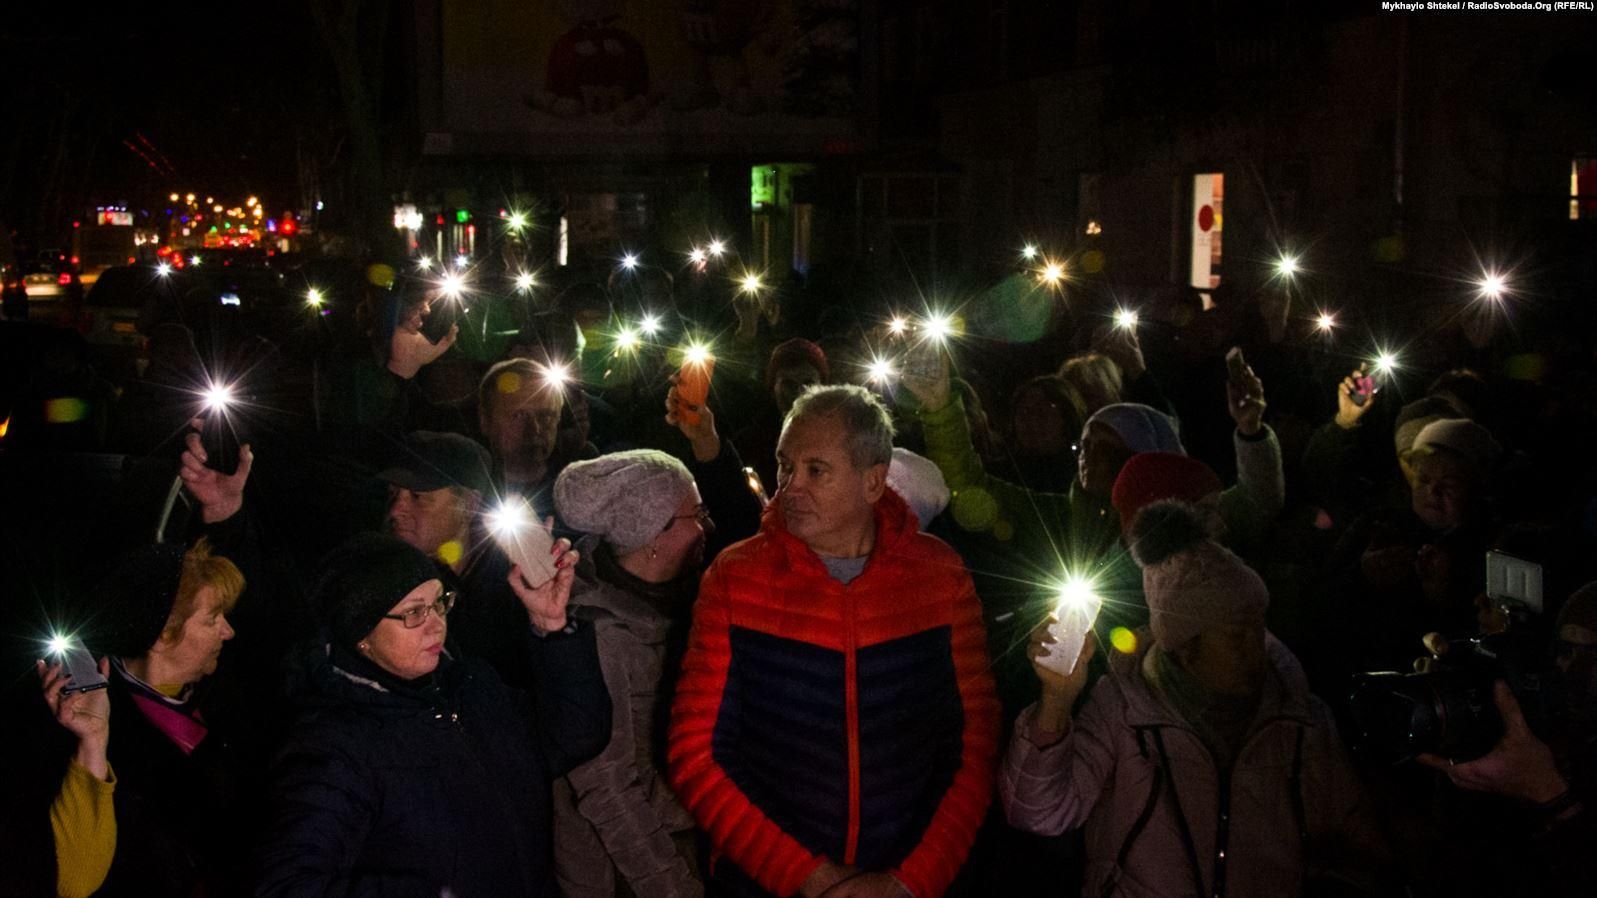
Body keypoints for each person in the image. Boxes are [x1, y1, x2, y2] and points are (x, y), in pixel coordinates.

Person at [669, 385, 999, 898]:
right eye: (785, 466)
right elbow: (697, 754)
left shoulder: (938, 576)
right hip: (768, 884)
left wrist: (910, 883)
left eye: (816, 470)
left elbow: (971, 745)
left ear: (872, 481)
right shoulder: (737, 577)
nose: (789, 487)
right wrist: (814, 881)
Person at [1000, 500, 1385, 897]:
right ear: (1185, 647)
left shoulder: (1303, 721)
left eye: (1258, 627)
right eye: (1236, 635)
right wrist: (1056, 701)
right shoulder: (1125, 710)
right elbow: (1036, 811)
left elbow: (1359, 843)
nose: (1258, 648)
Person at [256, 532, 612, 897]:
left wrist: (551, 625)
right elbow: (288, 885)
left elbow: (576, 739)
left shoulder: (471, 686)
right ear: (361, 633)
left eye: (439, 602)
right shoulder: (334, 748)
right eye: (414, 612)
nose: (436, 623)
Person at [24, 538, 256, 898]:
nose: (229, 631)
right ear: (163, 636)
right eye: (213, 619)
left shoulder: (225, 697)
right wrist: (94, 744)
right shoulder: (85, 723)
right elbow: (75, 882)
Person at [551, 450, 711, 898]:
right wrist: (673, 889)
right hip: (623, 873)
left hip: (678, 841)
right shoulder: (600, 635)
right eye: (694, 516)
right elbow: (607, 790)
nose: (706, 527)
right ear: (653, 535)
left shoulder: (684, 604)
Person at [479, 356, 567, 509]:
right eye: (518, 416)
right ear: (485, 421)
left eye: (546, 416)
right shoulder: (468, 492)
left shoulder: (576, 488)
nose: (535, 429)